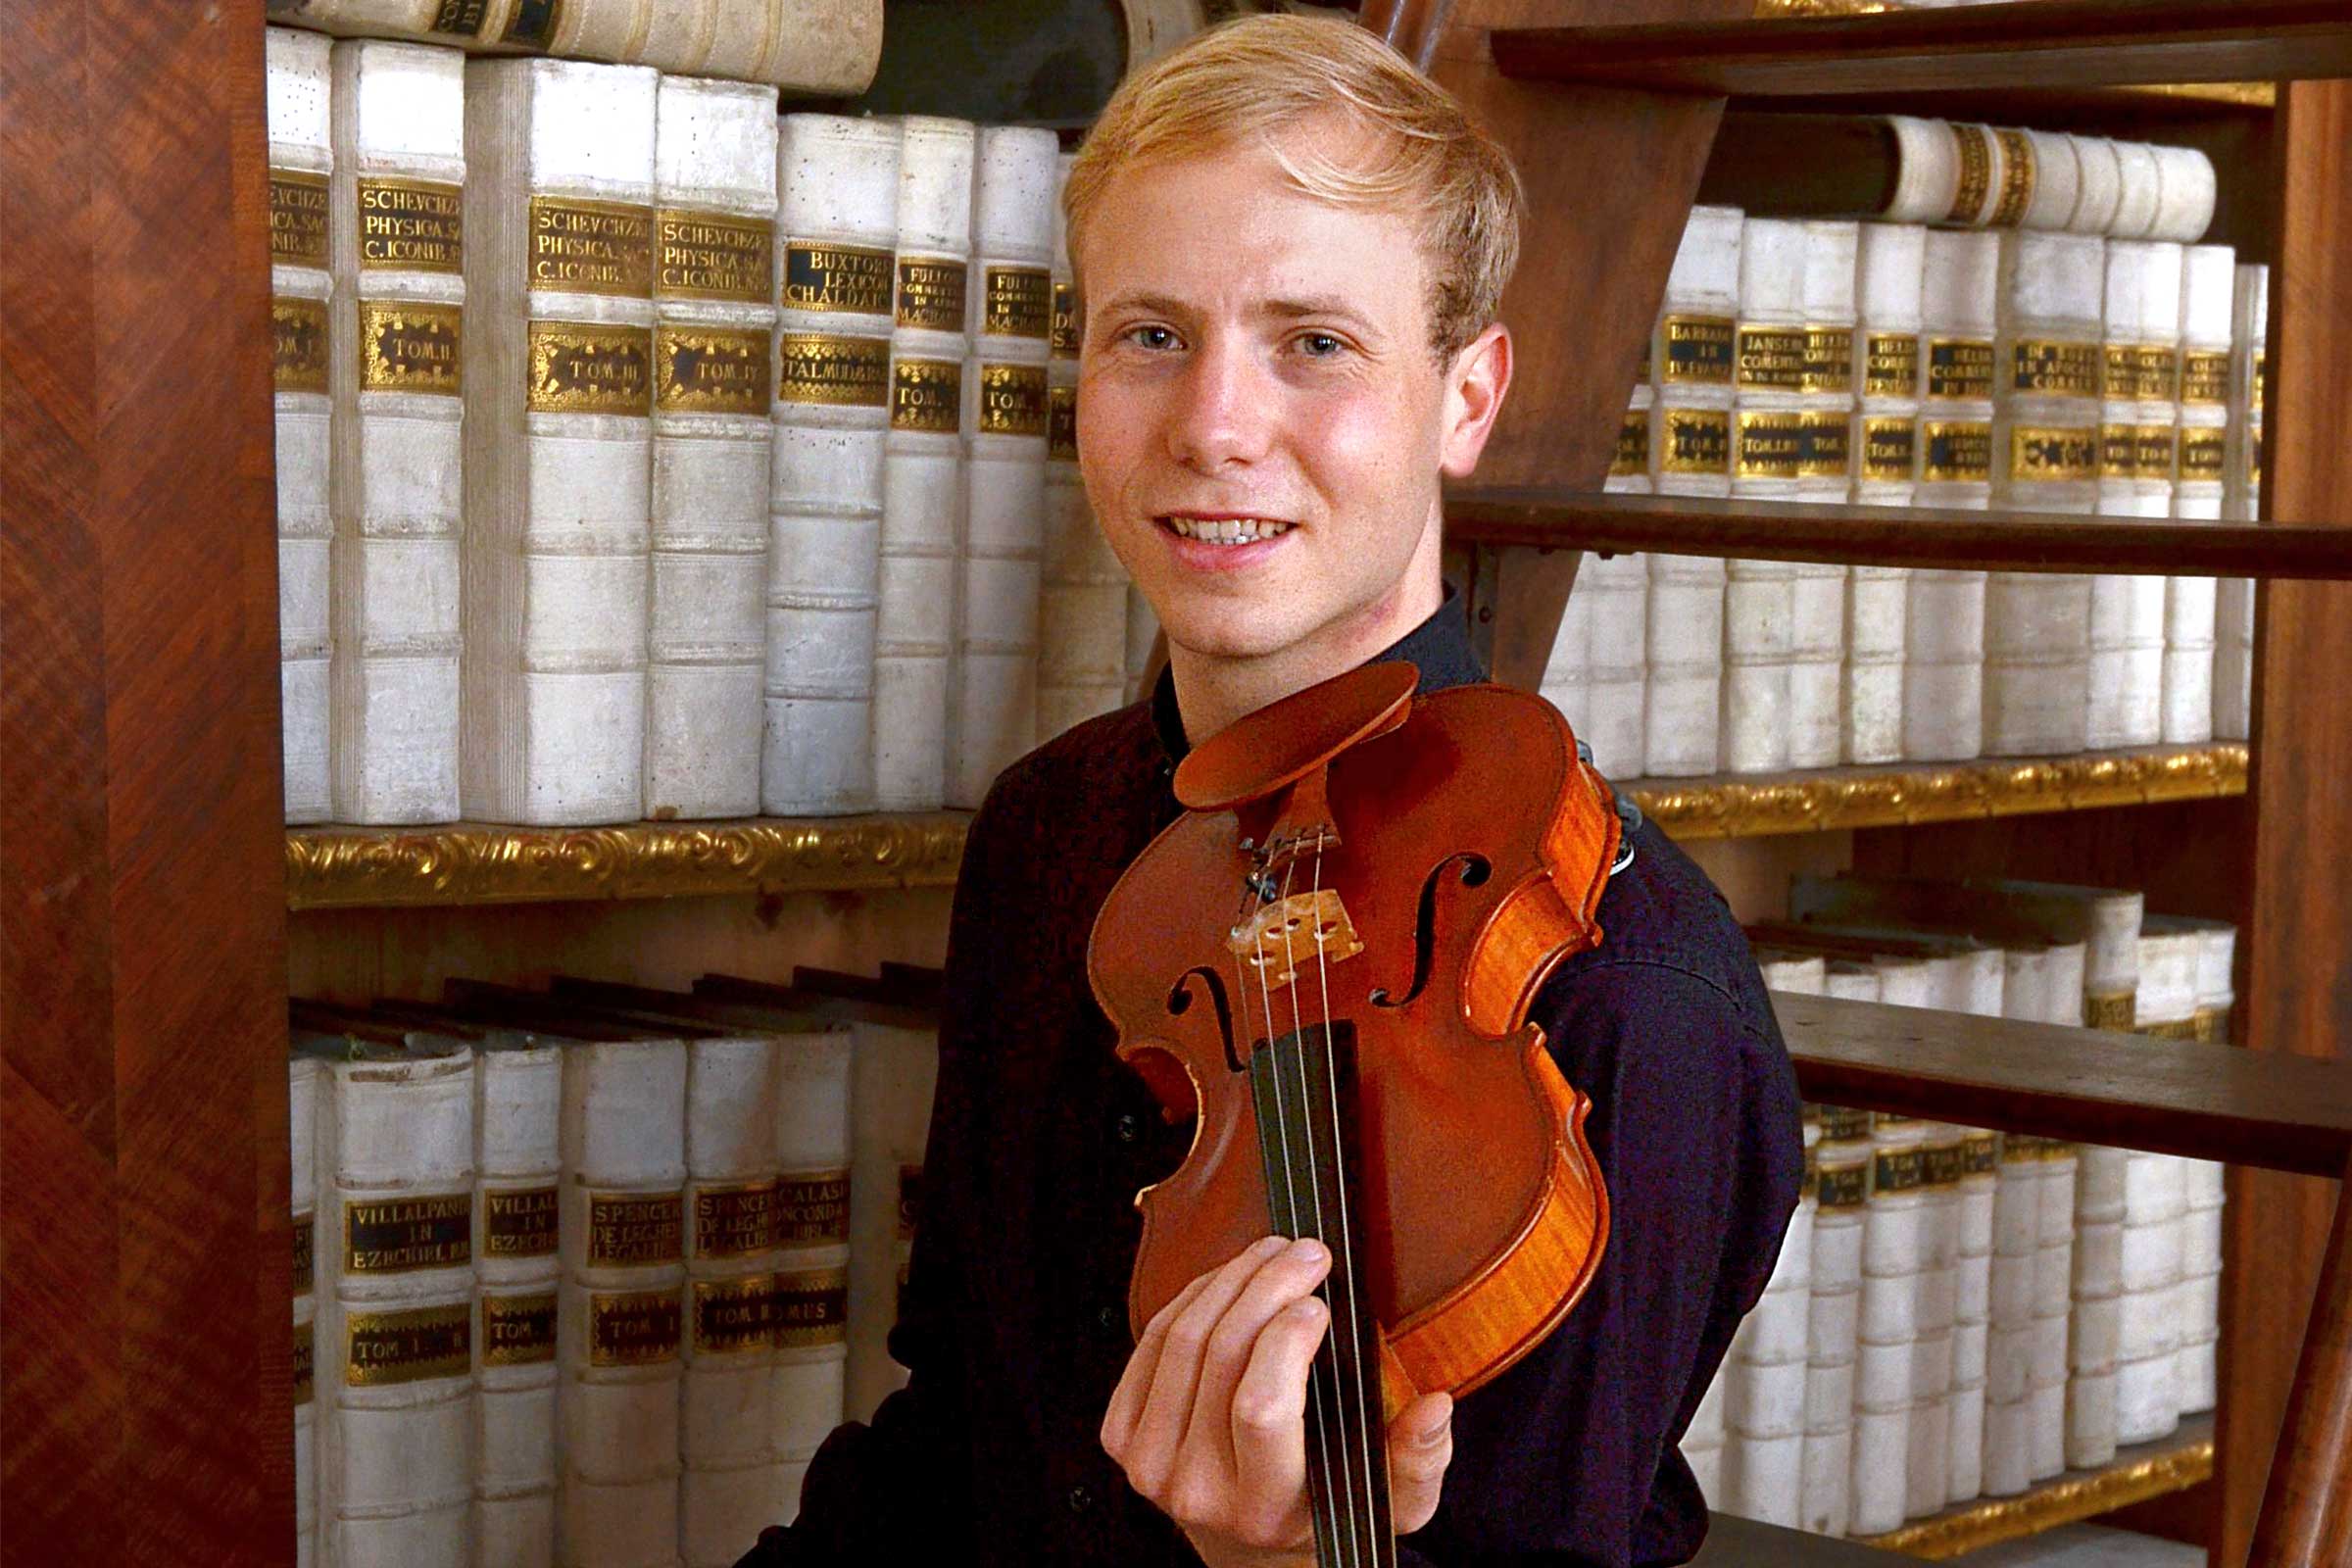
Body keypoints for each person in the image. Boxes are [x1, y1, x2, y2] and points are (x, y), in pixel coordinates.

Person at [738, 15, 1802, 1566]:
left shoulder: (1625, 999)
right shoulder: (1049, 832)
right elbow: (959, 1438)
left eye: (1314, 343)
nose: (1214, 427)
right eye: (1150, 335)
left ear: (1468, 397)